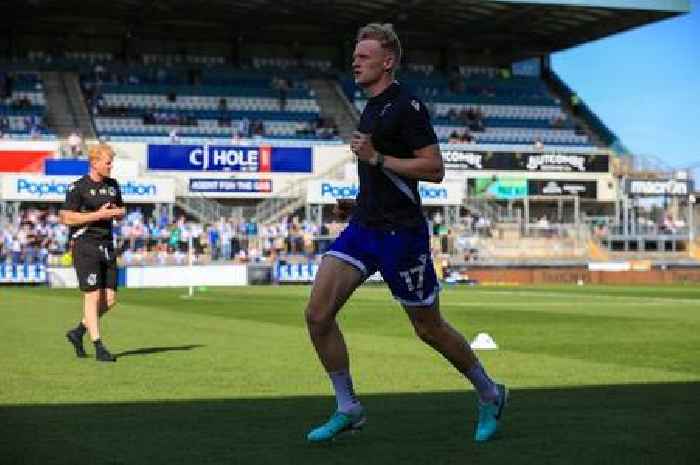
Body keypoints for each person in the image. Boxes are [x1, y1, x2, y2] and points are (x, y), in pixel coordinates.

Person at [304, 23, 507, 444]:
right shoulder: (371, 107)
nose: (355, 62)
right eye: (355, 55)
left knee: (428, 327)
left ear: (387, 61)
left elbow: (434, 168)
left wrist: (376, 158)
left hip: (402, 235)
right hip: (365, 228)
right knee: (318, 314)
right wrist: (357, 203)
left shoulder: (406, 105)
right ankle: (348, 407)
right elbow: (383, 175)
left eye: (363, 56)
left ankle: (490, 393)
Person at [59, 144, 125, 362]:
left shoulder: (113, 185)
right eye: (108, 162)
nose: (111, 166)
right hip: (85, 244)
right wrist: (98, 215)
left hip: (107, 245)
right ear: (94, 162)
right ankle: (98, 346)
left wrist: (117, 213)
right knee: (92, 295)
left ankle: (78, 332)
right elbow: (67, 218)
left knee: (111, 298)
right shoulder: (78, 187)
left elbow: (120, 210)